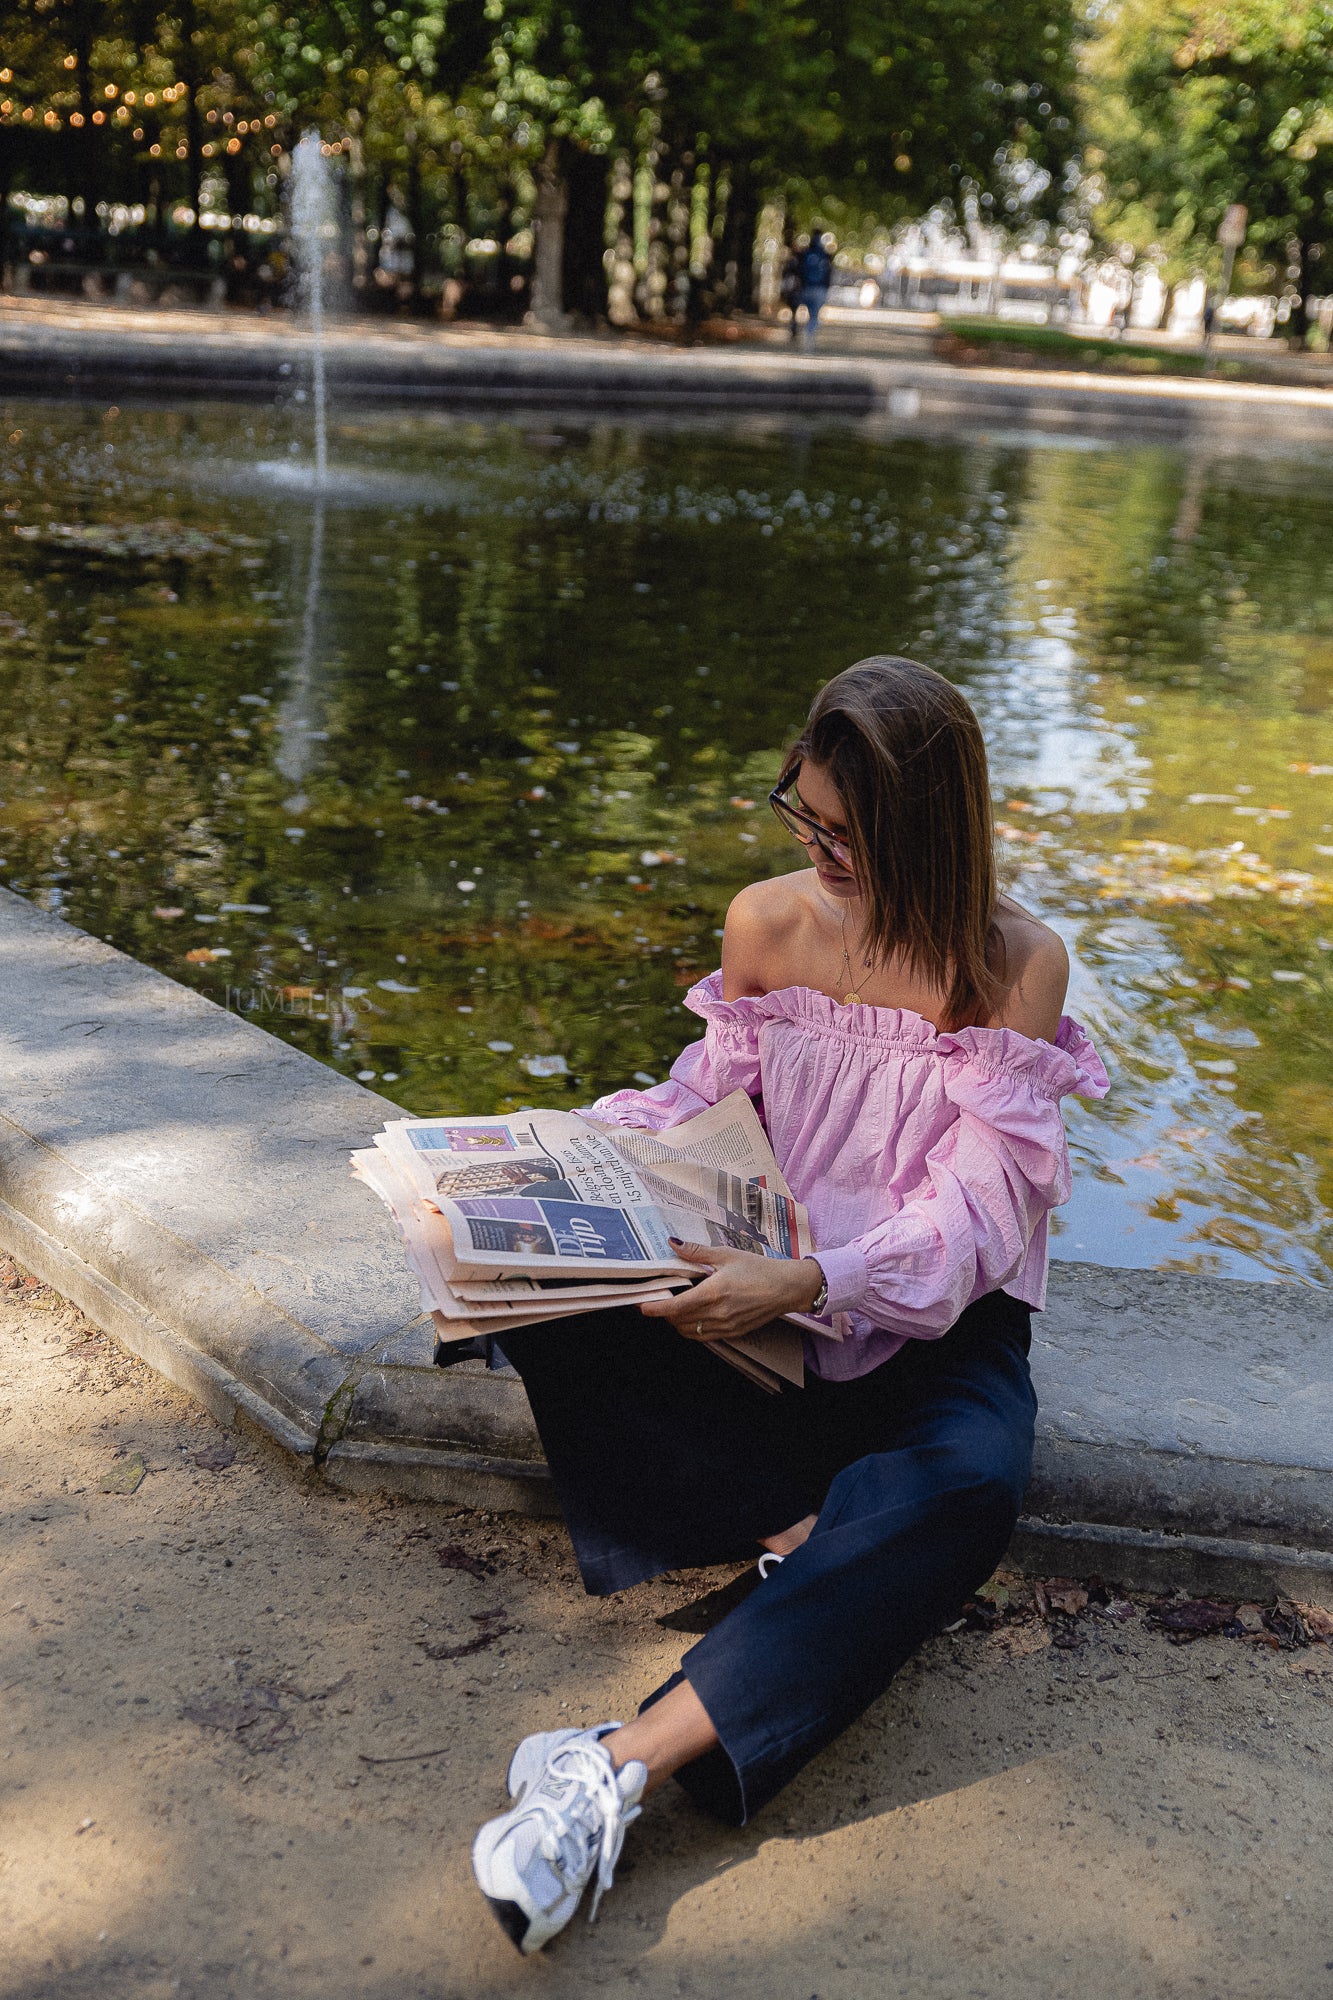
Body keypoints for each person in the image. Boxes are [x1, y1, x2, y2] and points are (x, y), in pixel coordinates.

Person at [470, 655, 1107, 1954]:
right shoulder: (765, 924)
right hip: (768, 1296)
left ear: (931, 831)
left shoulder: (1011, 965)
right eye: (803, 815)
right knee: (530, 1289)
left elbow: (980, 1218)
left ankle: (614, 1773)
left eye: (848, 834)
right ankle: (817, 1527)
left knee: (974, 1481)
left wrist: (818, 1276)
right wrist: (541, 1155)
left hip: (927, 1316)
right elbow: (703, 1110)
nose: (818, 848)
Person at [799, 229, 835, 349]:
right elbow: (829, 273)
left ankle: (808, 334)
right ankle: (810, 336)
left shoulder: (806, 253)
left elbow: (800, 271)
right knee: (814, 315)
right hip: (819, 289)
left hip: (806, 288)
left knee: (810, 313)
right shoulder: (825, 255)